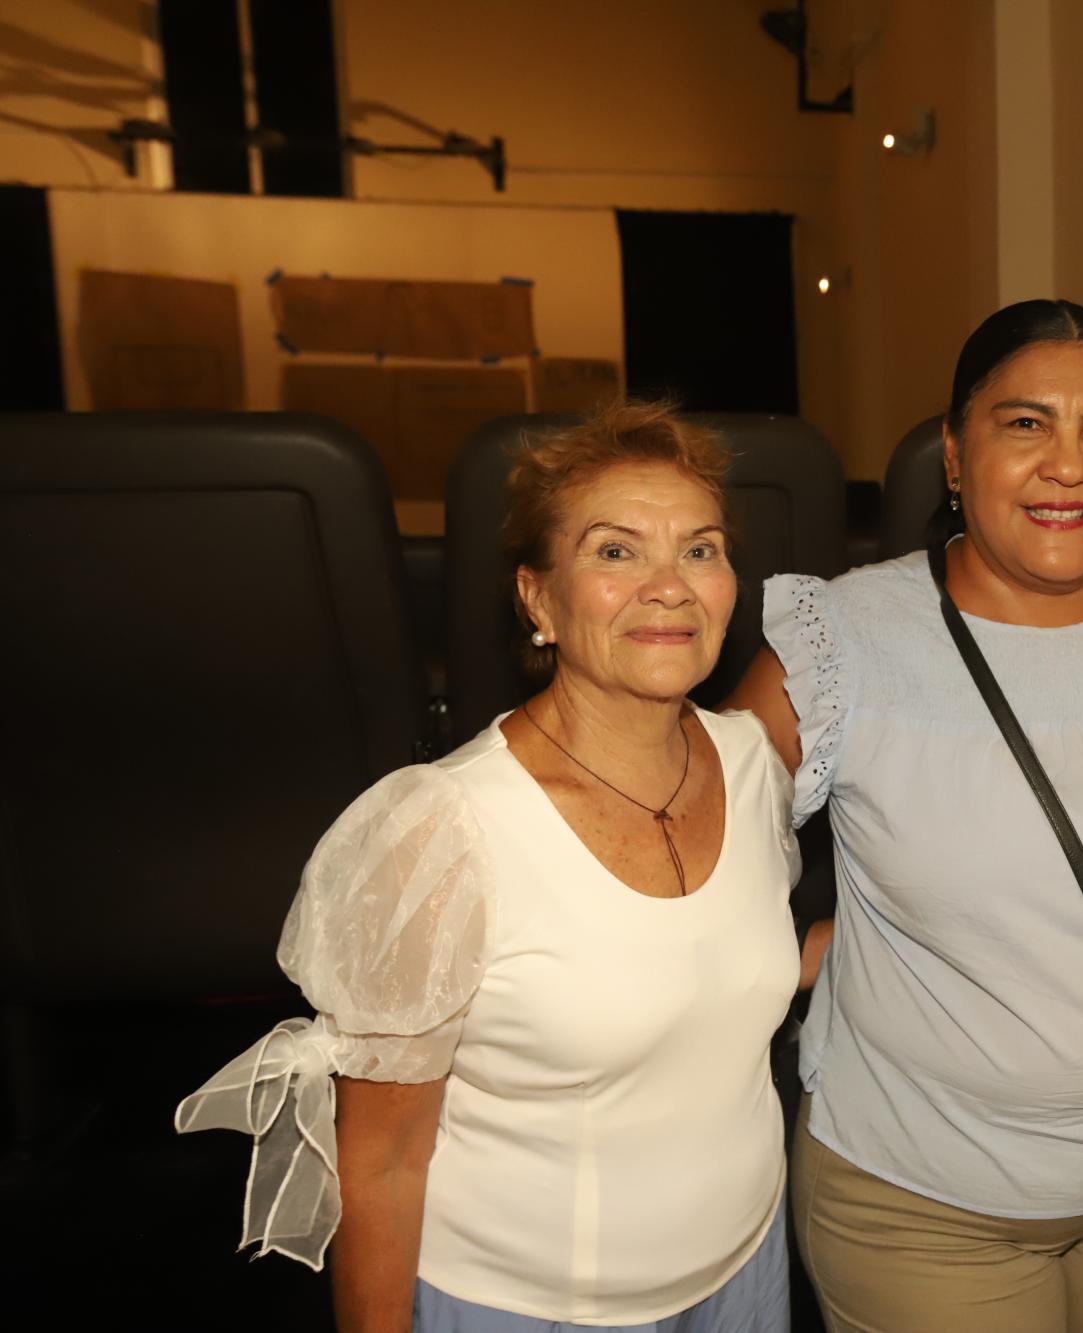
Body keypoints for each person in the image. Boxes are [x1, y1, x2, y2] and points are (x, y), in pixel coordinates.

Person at [177, 402, 802, 1333]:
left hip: (748, 1273)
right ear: (538, 598)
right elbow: (382, 1159)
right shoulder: (441, 829)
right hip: (528, 1306)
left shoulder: (753, 766)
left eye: (700, 549)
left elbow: (709, 967)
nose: (670, 586)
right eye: (616, 551)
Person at [729, 299, 1083, 1332]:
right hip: (919, 1203)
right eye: (1024, 424)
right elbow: (681, 840)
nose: (1067, 463)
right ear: (952, 454)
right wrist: (805, 949)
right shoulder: (844, 641)